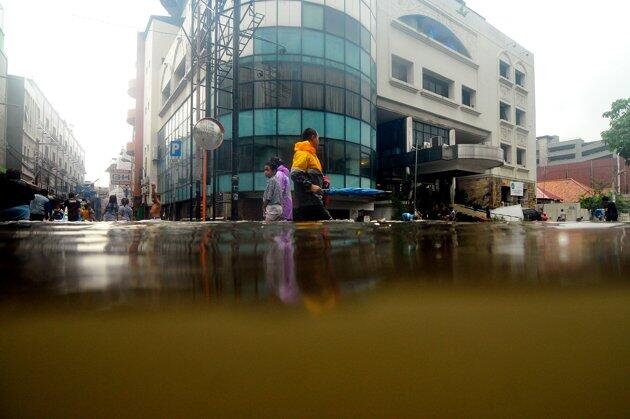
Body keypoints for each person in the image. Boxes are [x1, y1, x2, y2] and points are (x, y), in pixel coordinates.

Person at [290, 128, 332, 222]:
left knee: (310, 233)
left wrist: (323, 181)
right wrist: (311, 186)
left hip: (311, 203)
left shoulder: (311, 155)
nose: (318, 141)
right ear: (313, 137)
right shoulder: (303, 153)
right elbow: (295, 174)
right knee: (329, 225)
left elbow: (311, 175)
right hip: (309, 203)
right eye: (318, 138)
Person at [269, 157, 293, 221]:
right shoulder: (284, 174)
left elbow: (279, 191)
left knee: (281, 228)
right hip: (287, 205)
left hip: (282, 206)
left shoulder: (279, 174)